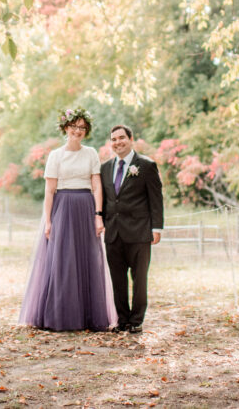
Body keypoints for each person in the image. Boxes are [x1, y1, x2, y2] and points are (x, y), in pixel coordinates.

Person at [19, 107, 115, 331]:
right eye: (74, 126)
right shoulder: (55, 155)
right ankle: (60, 316)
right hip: (62, 208)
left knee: (88, 257)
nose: (78, 131)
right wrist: (49, 221)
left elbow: (97, 185)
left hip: (85, 207)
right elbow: (49, 191)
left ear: (86, 131)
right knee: (62, 260)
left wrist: (98, 215)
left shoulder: (91, 153)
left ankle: (88, 316)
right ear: (65, 128)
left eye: (82, 127)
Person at [101, 124, 163, 333]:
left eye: (121, 138)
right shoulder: (105, 168)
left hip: (139, 232)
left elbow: (156, 199)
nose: (117, 142)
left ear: (131, 139)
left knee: (139, 279)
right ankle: (121, 319)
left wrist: (157, 228)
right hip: (113, 233)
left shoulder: (146, 165)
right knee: (117, 280)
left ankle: (136, 321)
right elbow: (105, 201)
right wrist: (100, 221)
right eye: (114, 139)